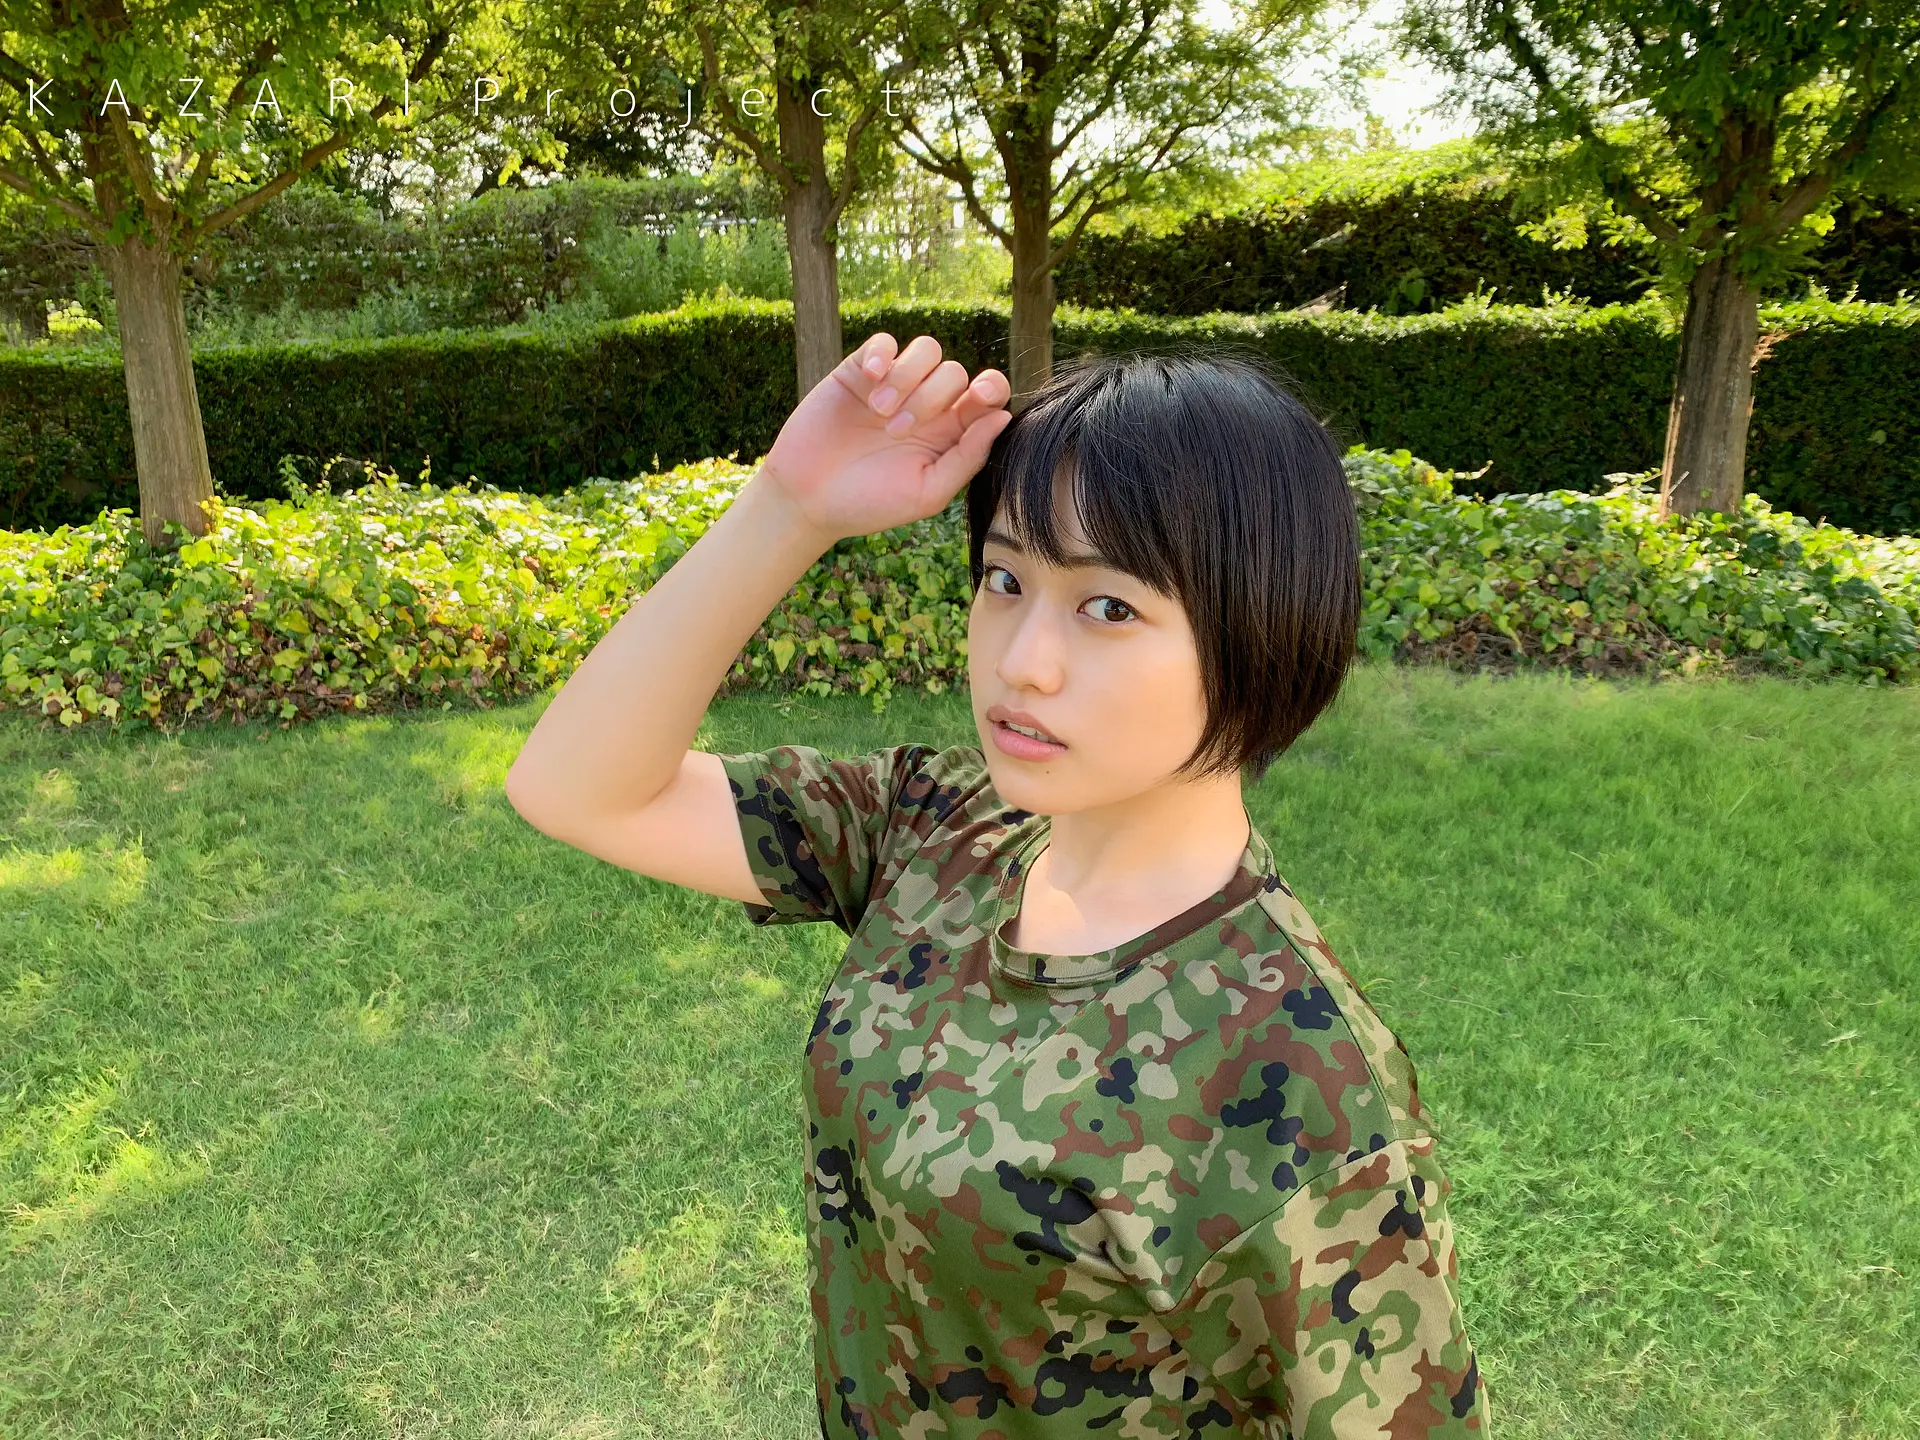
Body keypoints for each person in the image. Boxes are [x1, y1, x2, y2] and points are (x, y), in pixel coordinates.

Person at [504, 332, 1490, 1438]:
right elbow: (577, 788)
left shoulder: (1293, 1074)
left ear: (1261, 630)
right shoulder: (938, 826)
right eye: (1005, 580)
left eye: (1108, 607)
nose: (1021, 660)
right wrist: (788, 507)